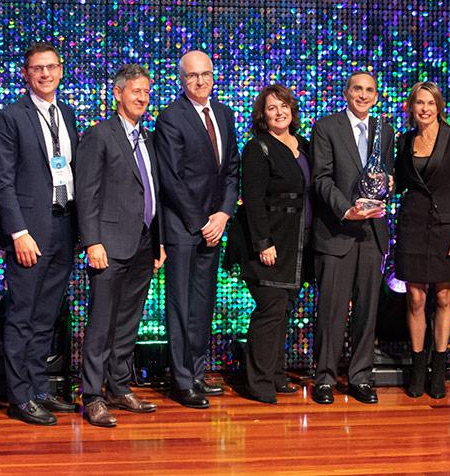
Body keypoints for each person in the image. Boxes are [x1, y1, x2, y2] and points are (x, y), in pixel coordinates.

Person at [0, 43, 79, 425]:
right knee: (22, 315)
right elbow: (1, 182)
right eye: (36, 68)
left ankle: (40, 387)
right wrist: (18, 232)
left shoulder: (67, 114)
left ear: (60, 71)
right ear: (25, 74)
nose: (44, 74)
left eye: (51, 67)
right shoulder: (11, 117)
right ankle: (20, 395)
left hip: (64, 225)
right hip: (30, 231)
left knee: (47, 315)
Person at [76, 64, 166, 427]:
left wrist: (158, 242)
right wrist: (92, 241)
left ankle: (118, 384)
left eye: (146, 91)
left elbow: (151, 192)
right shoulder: (100, 135)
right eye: (135, 91)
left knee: (128, 322)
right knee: (101, 323)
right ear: (117, 94)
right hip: (109, 245)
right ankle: (93, 395)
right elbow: (87, 193)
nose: (142, 97)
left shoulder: (148, 137)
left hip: (144, 244)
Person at [155, 50, 240, 409]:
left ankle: (198, 372)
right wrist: (202, 221)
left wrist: (222, 215)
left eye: (205, 74)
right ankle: (181, 379)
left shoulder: (223, 113)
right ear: (181, 79)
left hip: (214, 227)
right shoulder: (170, 117)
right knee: (180, 305)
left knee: (203, 304)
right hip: (184, 227)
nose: (200, 81)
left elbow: (232, 169)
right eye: (192, 76)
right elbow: (171, 179)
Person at [311, 71, 395, 405]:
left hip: (372, 233)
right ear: (346, 92)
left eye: (369, 90)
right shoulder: (326, 127)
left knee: (367, 310)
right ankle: (325, 378)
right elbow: (321, 179)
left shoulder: (385, 131)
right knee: (331, 310)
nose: (363, 95)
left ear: (376, 96)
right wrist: (347, 211)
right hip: (337, 231)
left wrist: (389, 182)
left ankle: (361, 376)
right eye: (357, 89)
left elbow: (388, 174)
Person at [225, 85, 310, 404]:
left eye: (284, 106)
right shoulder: (257, 147)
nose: (279, 112)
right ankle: (258, 382)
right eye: (272, 107)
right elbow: (254, 200)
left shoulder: (303, 145)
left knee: (283, 310)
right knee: (270, 309)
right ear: (262, 114)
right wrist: (263, 242)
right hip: (268, 243)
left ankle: (275, 374)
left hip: (297, 244)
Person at [393, 82, 450, 399]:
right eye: (419, 103)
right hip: (412, 225)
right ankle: (417, 369)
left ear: (438, 106)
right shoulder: (405, 140)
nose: (424, 108)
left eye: (430, 103)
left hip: (446, 228)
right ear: (411, 108)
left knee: (442, 298)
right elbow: (398, 183)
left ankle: (438, 371)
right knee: (415, 299)